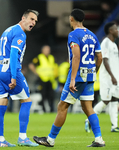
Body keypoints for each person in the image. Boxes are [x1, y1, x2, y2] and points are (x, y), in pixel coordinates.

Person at [33, 9, 104, 147]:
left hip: (78, 76)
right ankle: (99, 139)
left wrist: (72, 79)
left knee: (62, 106)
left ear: (71, 19)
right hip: (90, 75)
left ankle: (50, 139)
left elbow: (76, 56)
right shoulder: (92, 35)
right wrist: (94, 71)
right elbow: (99, 57)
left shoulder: (73, 35)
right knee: (88, 107)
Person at [0, 9, 39, 147]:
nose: (33, 23)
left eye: (35, 21)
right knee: (27, 101)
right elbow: (13, 55)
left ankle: (1, 140)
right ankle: (23, 138)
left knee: (2, 103)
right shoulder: (20, 33)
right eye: (31, 19)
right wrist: (13, 76)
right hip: (9, 71)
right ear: (23, 18)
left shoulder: (8, 30)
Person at [85, 22, 119, 133]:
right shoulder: (105, 43)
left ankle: (114, 126)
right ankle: (88, 119)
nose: (117, 31)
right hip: (107, 78)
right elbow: (105, 60)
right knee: (106, 100)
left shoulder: (114, 44)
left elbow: (114, 62)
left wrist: (117, 76)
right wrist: (112, 76)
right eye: (115, 29)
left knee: (114, 100)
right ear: (110, 31)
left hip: (114, 77)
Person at [28, 45, 58, 112]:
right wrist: (37, 73)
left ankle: (52, 110)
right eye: (46, 50)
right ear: (42, 50)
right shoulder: (39, 57)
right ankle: (43, 109)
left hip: (50, 79)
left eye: (48, 50)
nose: (47, 51)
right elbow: (31, 65)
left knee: (51, 95)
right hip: (42, 79)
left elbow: (54, 66)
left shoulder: (51, 57)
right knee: (43, 95)